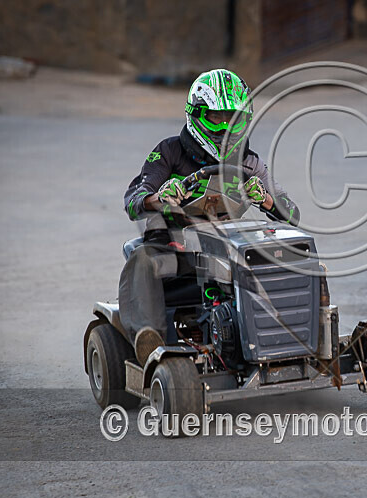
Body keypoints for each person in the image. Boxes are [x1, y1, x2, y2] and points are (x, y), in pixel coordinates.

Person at [120, 69, 300, 364]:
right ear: (198, 114)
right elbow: (132, 202)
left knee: (283, 251)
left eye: (233, 117)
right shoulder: (169, 151)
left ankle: (300, 331)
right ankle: (149, 340)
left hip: (225, 248)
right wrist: (160, 197)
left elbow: (292, 214)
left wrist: (264, 198)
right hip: (175, 250)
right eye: (217, 117)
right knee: (142, 258)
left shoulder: (249, 162)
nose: (226, 125)